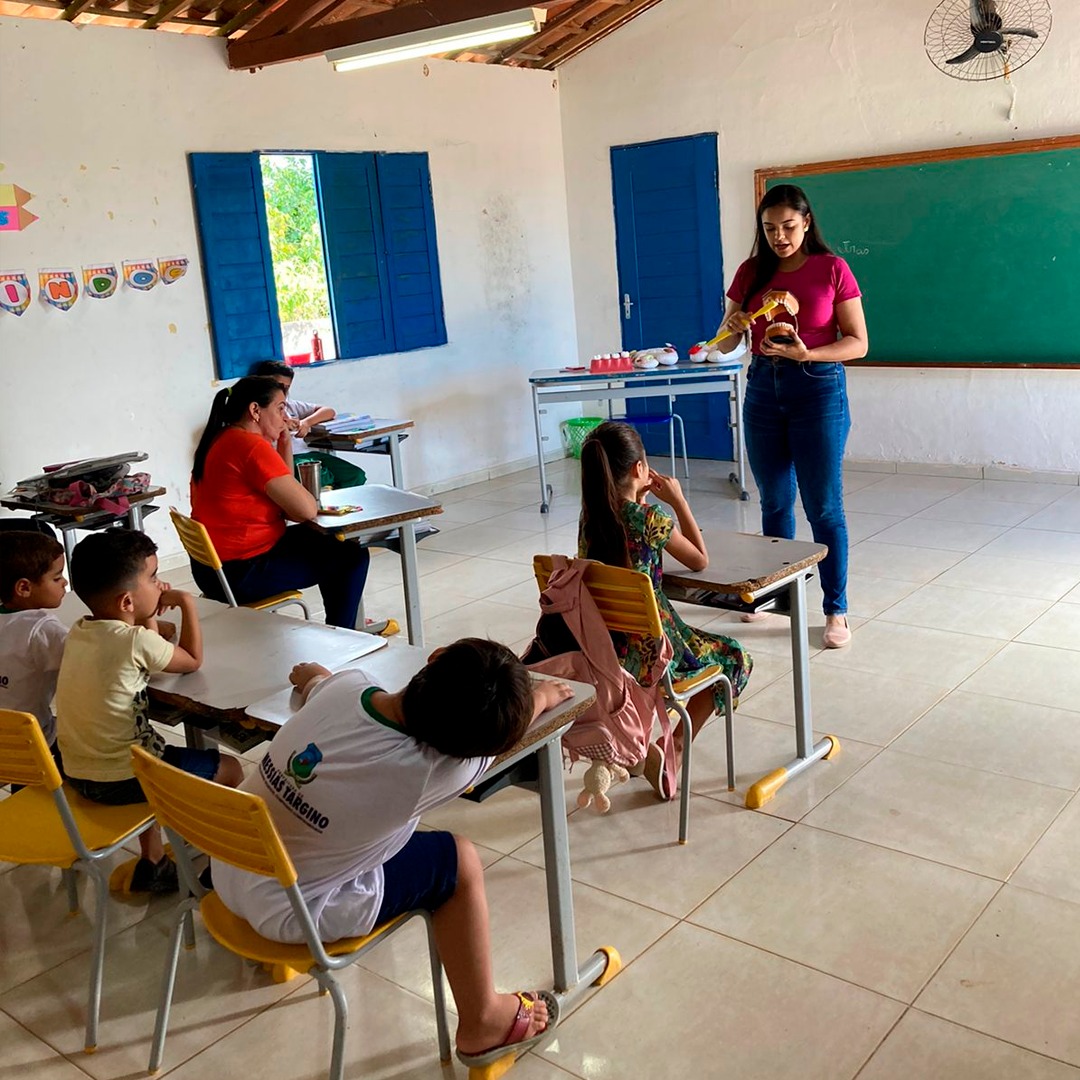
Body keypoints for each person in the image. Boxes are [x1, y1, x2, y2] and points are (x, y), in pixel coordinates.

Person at [212, 638, 574, 1067]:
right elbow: (502, 740)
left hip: (227, 867)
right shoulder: (434, 772)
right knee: (458, 860)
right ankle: (483, 1019)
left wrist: (308, 674)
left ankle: (484, 1017)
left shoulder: (347, 687)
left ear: (435, 656)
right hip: (294, 911)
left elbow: (317, 683)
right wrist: (541, 697)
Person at [713, 184, 869, 649]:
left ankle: (835, 609)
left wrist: (809, 353)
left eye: (787, 226)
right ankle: (776, 594)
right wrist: (731, 328)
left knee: (824, 506)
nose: (779, 237)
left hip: (817, 389)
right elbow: (726, 344)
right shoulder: (751, 272)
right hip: (764, 387)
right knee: (776, 502)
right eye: (769, 228)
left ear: (806, 223)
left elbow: (858, 343)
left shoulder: (832, 268)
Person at [56, 530, 243, 893]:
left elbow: (148, 652)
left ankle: (154, 860)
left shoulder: (81, 630)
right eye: (154, 578)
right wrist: (187, 602)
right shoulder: (133, 641)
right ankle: (224, 867)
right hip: (123, 778)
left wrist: (149, 615)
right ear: (127, 600)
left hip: (77, 771)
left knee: (146, 750)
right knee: (230, 768)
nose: (161, 585)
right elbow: (191, 660)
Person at [578, 421, 753, 799]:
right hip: (655, 654)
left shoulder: (590, 518)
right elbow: (699, 560)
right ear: (640, 469)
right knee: (734, 657)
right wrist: (678, 501)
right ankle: (673, 744)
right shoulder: (650, 520)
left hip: (606, 649)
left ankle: (639, 744)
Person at [190, 376, 373, 630]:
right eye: (280, 408)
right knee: (351, 556)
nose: (285, 417)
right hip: (241, 573)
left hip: (211, 570)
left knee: (331, 543)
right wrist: (301, 504)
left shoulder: (220, 438)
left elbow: (288, 499)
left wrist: (285, 440)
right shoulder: (250, 446)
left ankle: (341, 632)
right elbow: (305, 510)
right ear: (255, 410)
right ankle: (343, 635)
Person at [0, 529, 68, 754]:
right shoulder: (42, 629)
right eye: (57, 578)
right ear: (24, 588)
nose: (65, 582)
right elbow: (94, 659)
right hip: (33, 747)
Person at [250, 360, 367, 489]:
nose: (282, 391)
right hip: (287, 457)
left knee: (356, 475)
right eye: (278, 385)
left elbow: (329, 411)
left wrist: (305, 423)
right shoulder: (258, 409)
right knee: (322, 477)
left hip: (307, 453)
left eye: (287, 387)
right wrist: (282, 425)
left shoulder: (291, 405)